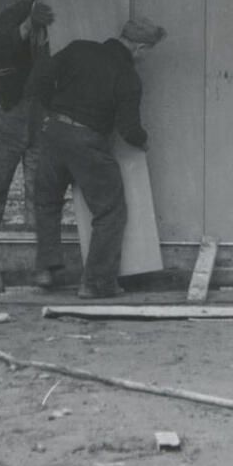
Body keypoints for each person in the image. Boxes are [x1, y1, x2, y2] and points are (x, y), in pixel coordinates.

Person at [32, 16, 167, 300]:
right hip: (87, 142)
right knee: (110, 211)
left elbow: (41, 77)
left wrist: (51, 108)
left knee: (47, 201)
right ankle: (96, 283)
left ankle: (45, 269)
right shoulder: (128, 77)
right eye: (147, 52)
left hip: (53, 132)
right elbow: (129, 129)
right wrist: (144, 141)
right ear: (140, 48)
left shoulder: (78, 48)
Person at [0, 0, 55, 228]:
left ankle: (37, 249)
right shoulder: (14, 14)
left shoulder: (72, 17)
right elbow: (2, 46)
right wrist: (29, 24)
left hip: (45, 114)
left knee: (41, 199)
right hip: (9, 109)